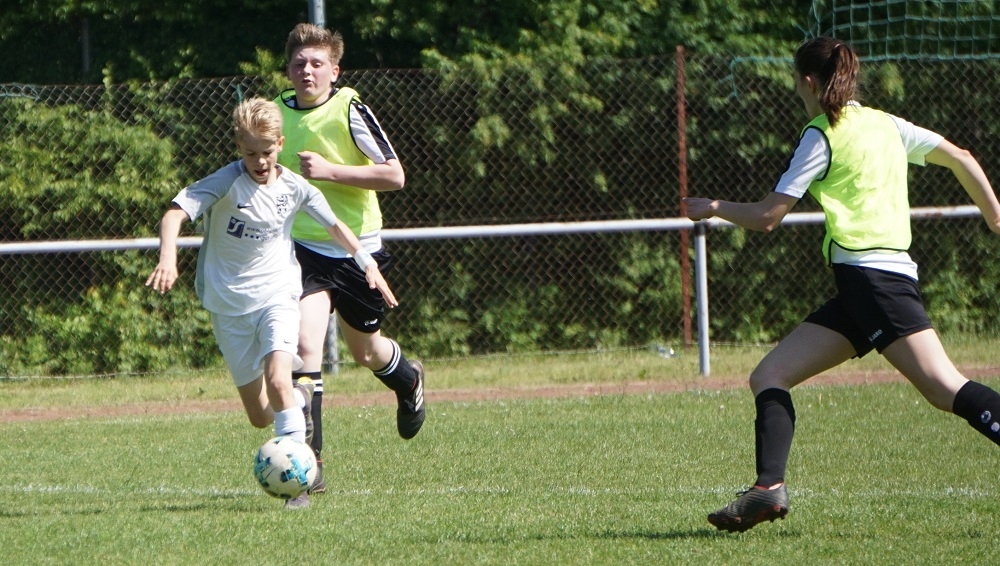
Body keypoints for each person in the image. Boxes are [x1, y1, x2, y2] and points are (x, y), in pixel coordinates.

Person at [684, 36, 1000, 533]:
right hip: (863, 286)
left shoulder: (821, 135)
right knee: (769, 375)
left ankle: (768, 487)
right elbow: (961, 156)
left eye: (797, 84)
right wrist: (996, 218)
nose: (798, 93)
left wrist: (715, 207)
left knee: (945, 388)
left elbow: (768, 217)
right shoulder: (888, 125)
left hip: (875, 283)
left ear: (809, 82)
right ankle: (768, 488)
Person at [145, 97, 398, 509]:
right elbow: (174, 214)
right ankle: (301, 399)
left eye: (266, 151)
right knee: (260, 416)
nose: (259, 162)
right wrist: (168, 257)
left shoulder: (295, 187)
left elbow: (335, 225)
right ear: (238, 147)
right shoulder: (226, 182)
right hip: (228, 305)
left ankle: (299, 485)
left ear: (280, 144)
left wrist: (367, 263)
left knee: (278, 378)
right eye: (250, 153)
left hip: (277, 294)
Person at [274, 23, 427, 500]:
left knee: (365, 352)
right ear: (288, 70)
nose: (308, 71)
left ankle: (408, 380)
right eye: (299, 63)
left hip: (358, 250)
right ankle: (309, 466)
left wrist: (330, 172)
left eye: (317, 63)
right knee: (305, 348)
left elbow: (395, 175)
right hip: (303, 248)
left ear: (334, 71)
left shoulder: (348, 108)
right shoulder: (276, 112)